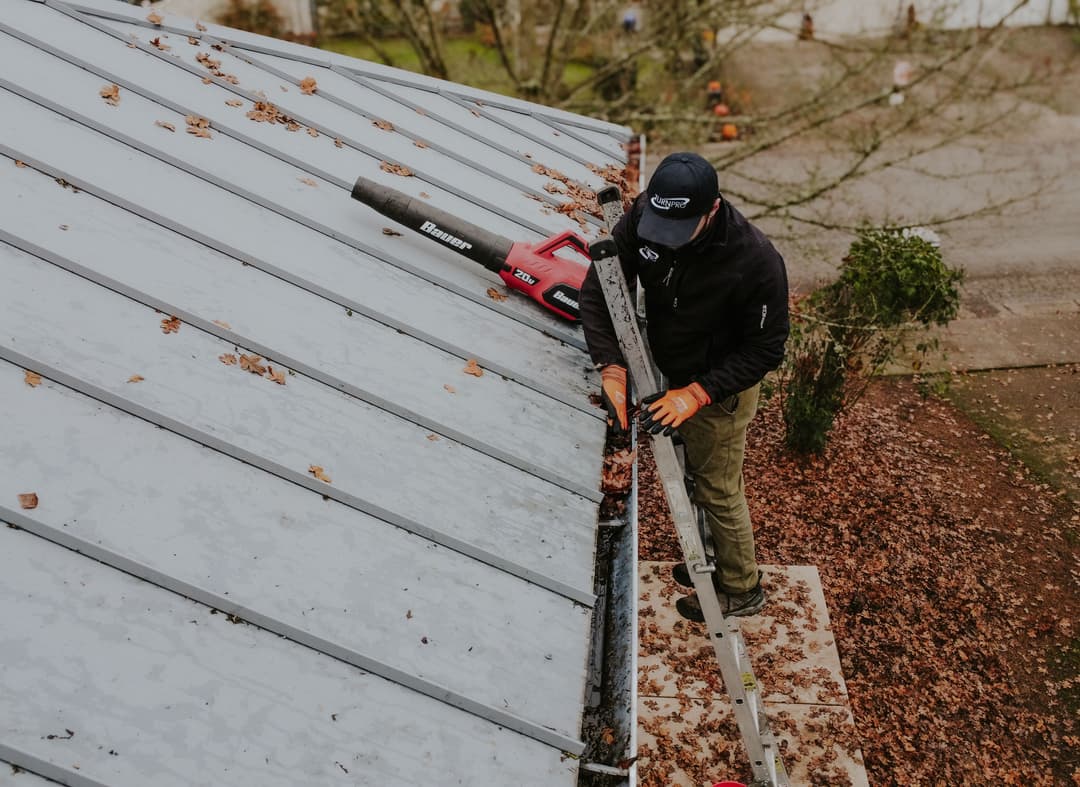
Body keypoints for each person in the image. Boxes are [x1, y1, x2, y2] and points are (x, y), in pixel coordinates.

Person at [580, 152, 790, 620]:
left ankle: (740, 587)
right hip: (673, 367)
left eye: (679, 232)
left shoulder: (754, 261)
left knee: (717, 486)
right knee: (694, 474)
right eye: (660, 229)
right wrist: (611, 365)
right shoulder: (643, 218)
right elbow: (601, 288)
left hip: (721, 391)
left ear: (711, 210)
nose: (666, 242)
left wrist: (696, 393)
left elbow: (766, 349)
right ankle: (709, 561)